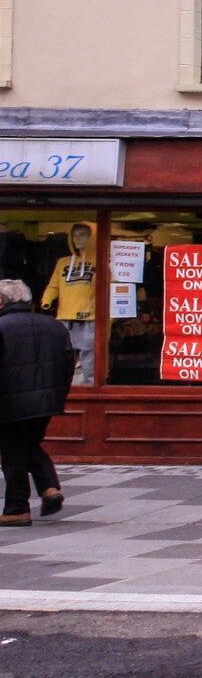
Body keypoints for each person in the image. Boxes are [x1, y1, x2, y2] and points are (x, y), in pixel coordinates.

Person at [0, 278, 72, 524]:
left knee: (13, 453)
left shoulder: (2, 326)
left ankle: (17, 508)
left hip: (10, 403)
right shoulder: (55, 326)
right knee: (28, 445)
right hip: (47, 402)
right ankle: (49, 488)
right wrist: (58, 395)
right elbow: (68, 365)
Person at [38, 222, 94, 386]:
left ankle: (90, 386)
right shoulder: (63, 262)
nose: (77, 239)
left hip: (91, 316)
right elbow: (54, 285)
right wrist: (47, 300)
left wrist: (110, 315)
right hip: (65, 316)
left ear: (92, 238)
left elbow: (110, 287)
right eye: (74, 235)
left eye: (82, 235)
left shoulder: (102, 260)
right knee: (63, 354)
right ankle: (63, 385)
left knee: (90, 355)